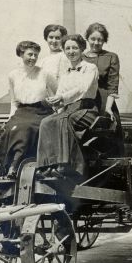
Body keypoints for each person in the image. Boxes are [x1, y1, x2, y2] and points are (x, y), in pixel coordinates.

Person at [36, 34, 99, 178]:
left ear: (82, 49)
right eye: (68, 48)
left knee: (63, 120)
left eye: (75, 48)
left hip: (86, 109)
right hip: (68, 109)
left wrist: (62, 98)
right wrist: (55, 104)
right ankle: (45, 165)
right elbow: (60, 93)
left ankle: (66, 164)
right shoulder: (66, 72)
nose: (71, 51)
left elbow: (83, 89)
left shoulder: (90, 68)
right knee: (46, 122)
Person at [0, 40, 53, 178]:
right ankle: (4, 168)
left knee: (26, 128)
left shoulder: (45, 74)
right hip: (21, 111)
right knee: (9, 129)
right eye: (30, 54)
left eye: (36, 55)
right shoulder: (13, 75)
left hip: (40, 111)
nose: (33, 58)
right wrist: (10, 117)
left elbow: (58, 93)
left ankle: (15, 166)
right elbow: (14, 101)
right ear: (21, 54)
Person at [82, 22, 124, 156]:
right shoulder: (80, 57)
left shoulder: (111, 57)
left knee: (108, 136)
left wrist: (108, 107)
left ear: (104, 40)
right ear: (87, 39)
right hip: (84, 100)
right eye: (93, 39)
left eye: (100, 39)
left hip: (105, 101)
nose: (96, 42)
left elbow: (113, 85)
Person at [38, 24, 69, 95]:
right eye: (51, 37)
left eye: (58, 38)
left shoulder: (65, 57)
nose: (54, 41)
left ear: (62, 39)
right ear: (46, 38)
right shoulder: (43, 60)